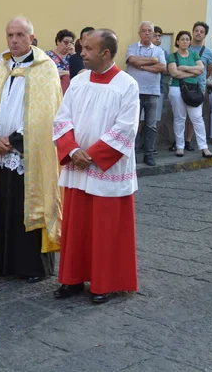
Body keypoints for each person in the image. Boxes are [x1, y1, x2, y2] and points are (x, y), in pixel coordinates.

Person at [0, 17, 62, 283]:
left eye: (20, 35)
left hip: (26, 152)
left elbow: (46, 115)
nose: (14, 40)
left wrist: (15, 140)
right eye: (10, 35)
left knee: (27, 207)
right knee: (2, 204)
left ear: (32, 37)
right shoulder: (4, 66)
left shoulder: (46, 68)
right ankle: (2, 262)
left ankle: (33, 267)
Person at [53, 28, 139, 304]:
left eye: (88, 49)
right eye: (81, 47)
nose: (81, 53)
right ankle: (72, 278)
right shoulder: (78, 82)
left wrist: (91, 155)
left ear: (105, 53)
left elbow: (126, 129)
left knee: (105, 228)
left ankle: (105, 282)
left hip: (106, 169)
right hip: (78, 166)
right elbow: (62, 119)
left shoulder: (127, 85)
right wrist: (73, 150)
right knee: (76, 227)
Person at [126, 21, 166, 166]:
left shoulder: (159, 51)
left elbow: (162, 67)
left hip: (153, 92)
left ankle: (149, 154)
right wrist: (152, 61)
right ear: (139, 33)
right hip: (135, 92)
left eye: (150, 30)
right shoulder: (132, 47)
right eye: (144, 30)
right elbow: (132, 60)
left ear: (153, 32)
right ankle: (132, 155)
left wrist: (141, 66)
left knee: (151, 125)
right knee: (133, 125)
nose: (147, 33)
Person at [167, 31, 212, 158]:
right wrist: (193, 73)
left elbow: (202, 69)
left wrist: (184, 68)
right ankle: (180, 146)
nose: (185, 41)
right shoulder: (172, 56)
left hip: (193, 89)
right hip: (177, 88)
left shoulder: (194, 54)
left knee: (197, 118)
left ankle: (204, 147)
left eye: (187, 39)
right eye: (182, 39)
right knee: (179, 118)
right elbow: (175, 74)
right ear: (177, 42)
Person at [185, 22, 212, 151]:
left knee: (195, 116)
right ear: (192, 32)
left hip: (199, 88)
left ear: (205, 35)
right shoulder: (185, 48)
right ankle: (179, 141)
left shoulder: (209, 53)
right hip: (184, 85)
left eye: (201, 31)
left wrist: (200, 79)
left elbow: (209, 71)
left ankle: (189, 140)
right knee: (181, 116)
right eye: (196, 30)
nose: (198, 33)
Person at [152, 26, 169, 124]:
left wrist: (143, 66)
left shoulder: (164, 52)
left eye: (159, 36)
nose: (158, 38)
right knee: (139, 120)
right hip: (141, 90)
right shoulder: (142, 50)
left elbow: (164, 69)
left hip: (159, 89)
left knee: (154, 121)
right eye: (155, 35)